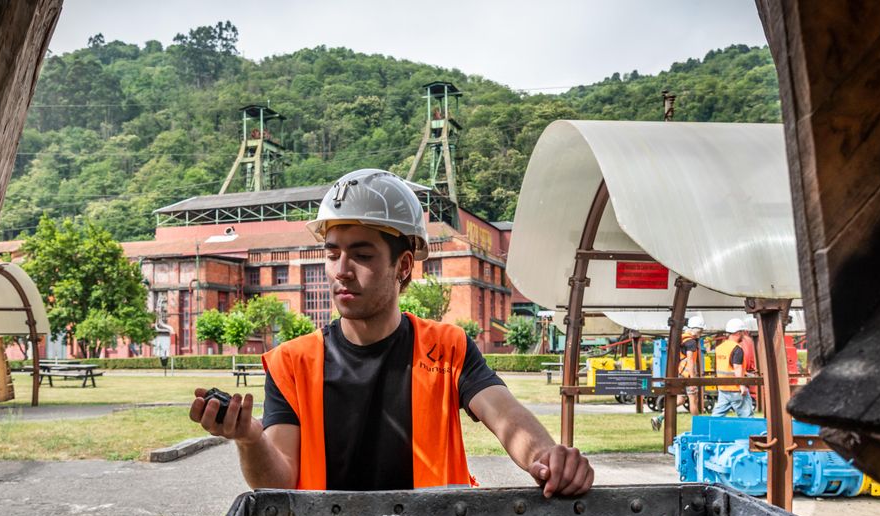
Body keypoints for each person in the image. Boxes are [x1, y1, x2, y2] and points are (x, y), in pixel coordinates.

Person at [191, 169, 594, 498]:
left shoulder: (447, 348)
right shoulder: (291, 364)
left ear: (403, 266)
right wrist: (249, 439)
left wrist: (546, 457)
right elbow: (277, 483)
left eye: (362, 255)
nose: (341, 270)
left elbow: (507, 418)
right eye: (332, 254)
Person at [650, 316, 704, 431]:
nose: (701, 333)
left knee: (680, 400)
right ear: (696, 330)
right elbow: (690, 361)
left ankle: (659, 418)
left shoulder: (682, 339)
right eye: (700, 330)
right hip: (688, 375)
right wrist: (693, 380)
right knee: (693, 401)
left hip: (680, 373)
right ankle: (698, 428)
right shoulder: (691, 343)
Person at [712, 317, 755, 417]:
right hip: (735, 388)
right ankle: (748, 432)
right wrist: (742, 385)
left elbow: (725, 367)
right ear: (738, 333)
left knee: (718, 415)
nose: (743, 336)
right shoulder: (737, 348)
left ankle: (710, 431)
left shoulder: (720, 348)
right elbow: (737, 368)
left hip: (723, 387)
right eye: (742, 333)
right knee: (746, 416)